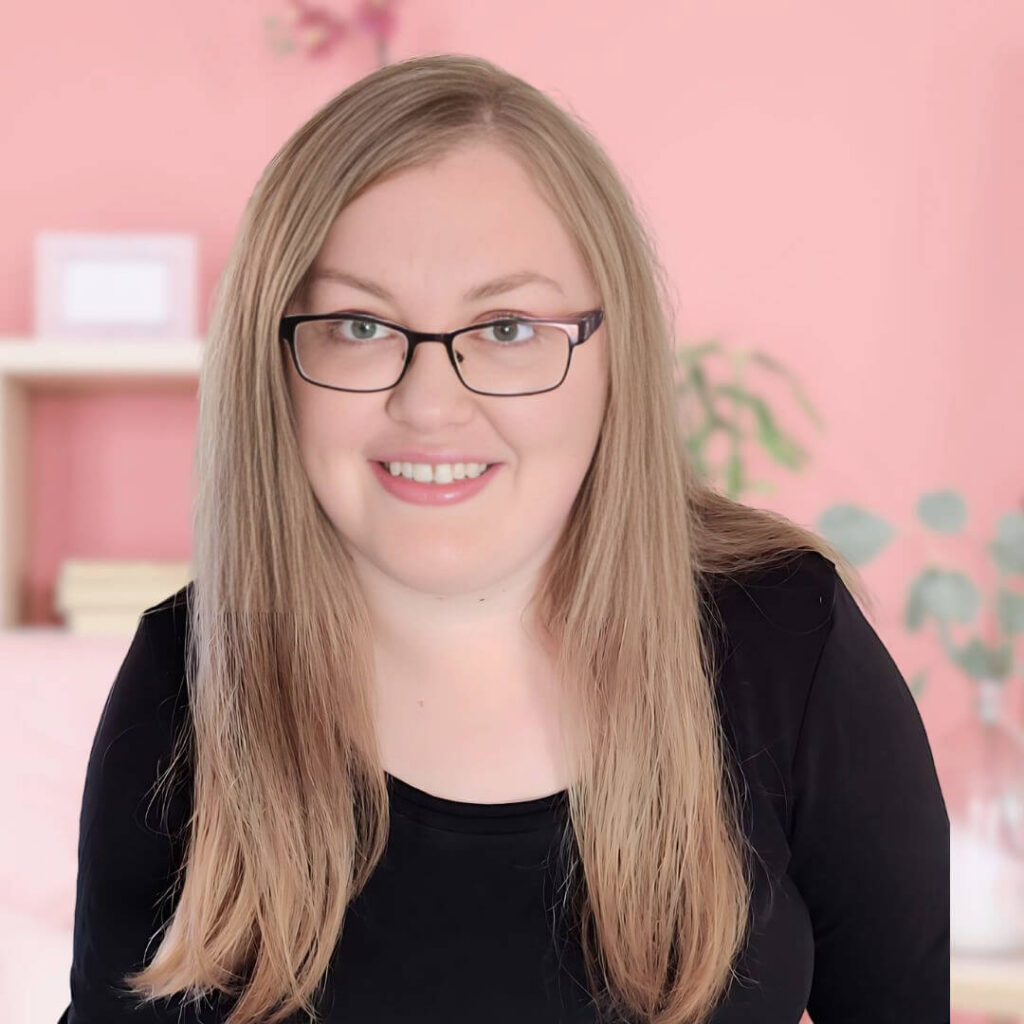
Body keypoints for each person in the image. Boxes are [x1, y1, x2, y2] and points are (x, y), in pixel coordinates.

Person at [59, 53, 949, 1024]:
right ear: (274, 361)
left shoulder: (790, 648)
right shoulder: (184, 677)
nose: (430, 403)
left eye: (509, 327)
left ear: (615, 354)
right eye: (359, 325)